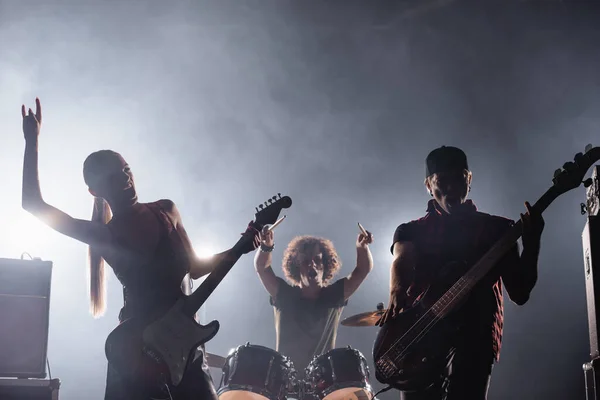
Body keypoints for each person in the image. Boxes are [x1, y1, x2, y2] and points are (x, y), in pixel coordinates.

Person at [20, 98, 260, 400]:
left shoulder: (166, 210)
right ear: (95, 191)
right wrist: (32, 141)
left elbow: (195, 268)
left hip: (185, 348)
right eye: (114, 177)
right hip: (137, 354)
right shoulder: (103, 235)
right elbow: (32, 203)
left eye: (127, 169)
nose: (126, 179)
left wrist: (240, 246)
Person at [379, 145, 545, 400]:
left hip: (475, 340)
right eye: (442, 181)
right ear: (428, 185)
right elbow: (402, 260)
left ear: (469, 180)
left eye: (458, 179)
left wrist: (532, 244)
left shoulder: (498, 230)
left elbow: (520, 293)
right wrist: (397, 290)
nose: (451, 188)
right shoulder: (411, 231)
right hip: (421, 340)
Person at [254, 227, 374, 377]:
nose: (312, 265)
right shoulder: (285, 294)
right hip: (285, 380)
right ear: (296, 267)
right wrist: (265, 246)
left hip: (321, 380)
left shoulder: (333, 296)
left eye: (317, 260)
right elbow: (262, 268)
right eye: (305, 261)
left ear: (325, 265)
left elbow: (363, 269)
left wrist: (362, 247)